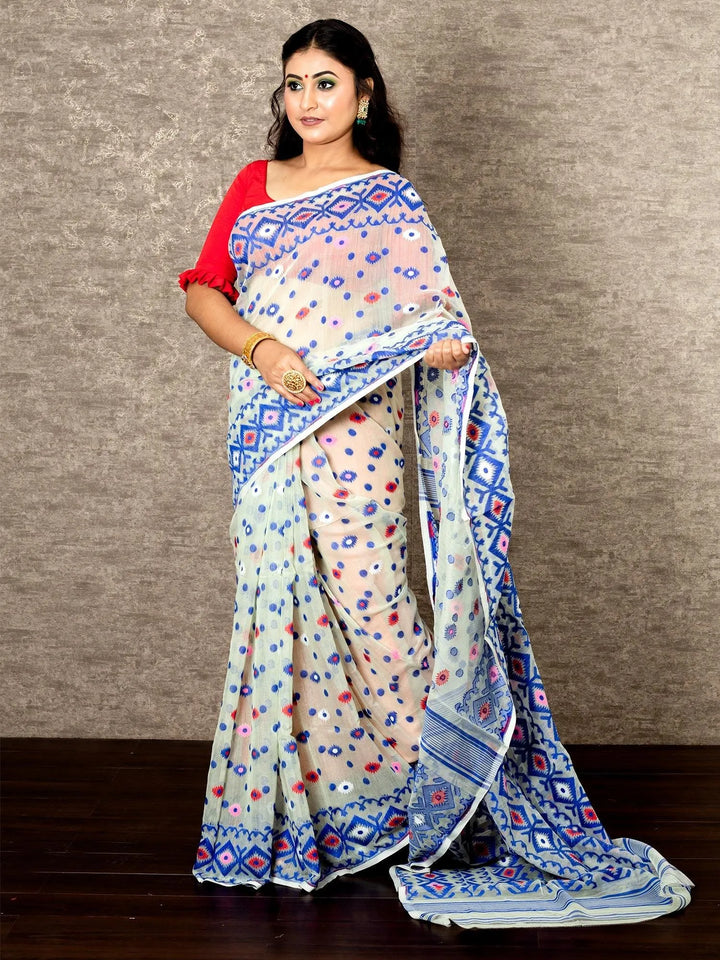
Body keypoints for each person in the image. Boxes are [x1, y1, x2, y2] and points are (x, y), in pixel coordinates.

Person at [179, 18, 691, 928]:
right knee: (281, 609)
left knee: (376, 610)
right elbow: (202, 291)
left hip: (360, 434)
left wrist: (442, 347)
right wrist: (263, 351)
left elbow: (427, 318)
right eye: (293, 83)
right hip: (270, 428)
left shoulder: (390, 200)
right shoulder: (254, 186)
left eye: (326, 82)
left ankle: (457, 793)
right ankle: (319, 819)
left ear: (364, 93)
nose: (307, 100)